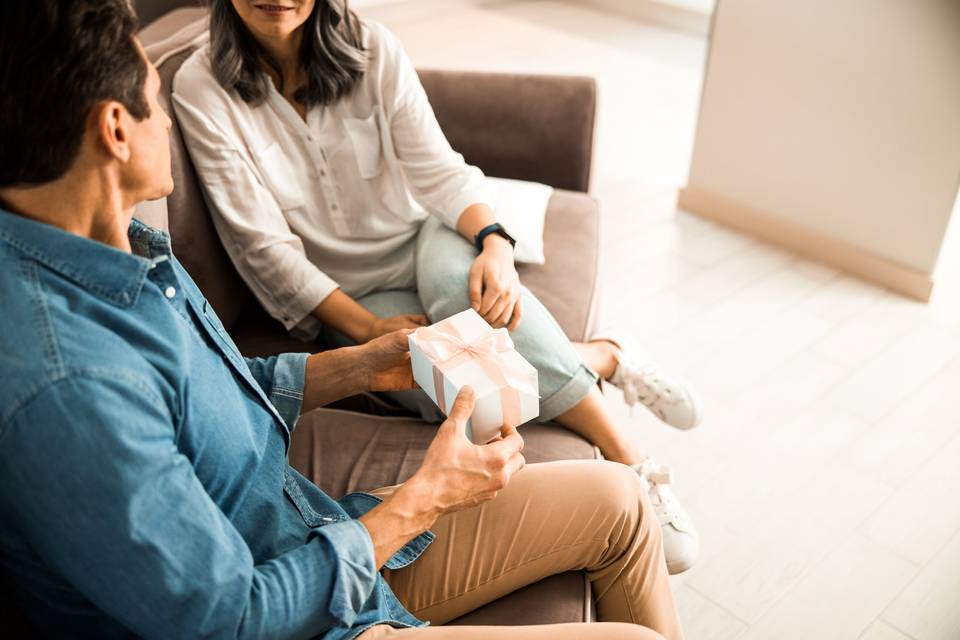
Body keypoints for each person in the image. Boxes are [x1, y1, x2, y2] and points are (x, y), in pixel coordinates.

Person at [0, 1, 685, 638]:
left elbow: (221, 391)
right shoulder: (68, 383)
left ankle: (606, 388)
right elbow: (232, 619)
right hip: (304, 615)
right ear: (116, 131)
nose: (168, 122)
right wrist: (421, 500)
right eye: (154, 103)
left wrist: (366, 362)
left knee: (618, 502)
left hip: (311, 532)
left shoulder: (125, 253)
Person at [172, 0, 702, 573]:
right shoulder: (201, 87)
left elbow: (436, 168)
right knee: (450, 386)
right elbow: (263, 247)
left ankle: (633, 463)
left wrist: (496, 243)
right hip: (348, 294)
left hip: (429, 234)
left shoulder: (373, 47)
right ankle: (602, 356)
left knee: (469, 310)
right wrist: (367, 328)